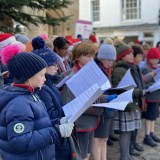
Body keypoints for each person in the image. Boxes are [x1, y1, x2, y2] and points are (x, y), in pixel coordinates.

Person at [0, 44, 74, 160]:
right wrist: (56, 132)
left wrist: (58, 122)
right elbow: (20, 140)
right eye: (41, 75)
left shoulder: (30, 95)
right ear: (29, 77)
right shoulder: (19, 104)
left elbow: (38, 123)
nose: (45, 78)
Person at [32, 36, 74, 160]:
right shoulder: (42, 89)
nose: (56, 67)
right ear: (43, 67)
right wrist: (69, 110)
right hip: (54, 138)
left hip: (58, 136)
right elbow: (50, 115)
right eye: (53, 64)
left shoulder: (49, 84)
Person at [111, 43, 145, 160]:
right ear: (121, 56)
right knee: (125, 133)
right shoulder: (120, 70)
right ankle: (124, 156)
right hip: (126, 105)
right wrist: (139, 92)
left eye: (131, 53)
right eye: (128, 54)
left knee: (129, 131)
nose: (131, 55)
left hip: (132, 103)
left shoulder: (130, 67)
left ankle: (127, 155)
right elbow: (121, 89)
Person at [92, 44, 118, 160]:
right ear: (101, 58)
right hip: (100, 108)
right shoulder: (97, 70)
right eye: (108, 60)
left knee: (104, 139)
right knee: (97, 139)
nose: (110, 63)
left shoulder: (107, 70)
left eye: (112, 60)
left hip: (108, 109)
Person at [141, 48, 160, 147]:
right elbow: (144, 83)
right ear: (150, 58)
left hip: (156, 96)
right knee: (149, 117)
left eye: (158, 59)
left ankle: (151, 133)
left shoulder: (155, 67)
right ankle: (147, 135)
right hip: (150, 96)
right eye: (155, 58)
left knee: (154, 117)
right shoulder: (146, 68)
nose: (157, 60)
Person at [129, 45, 145, 156]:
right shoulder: (131, 68)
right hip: (134, 99)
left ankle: (134, 144)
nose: (140, 59)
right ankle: (130, 146)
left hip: (139, 99)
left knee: (136, 125)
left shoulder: (137, 67)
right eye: (138, 56)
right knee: (132, 127)